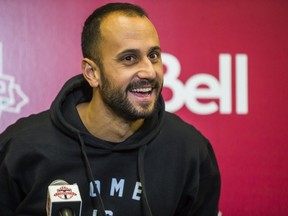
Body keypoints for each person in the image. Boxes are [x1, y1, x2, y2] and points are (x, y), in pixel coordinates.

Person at [0, 2, 220, 216]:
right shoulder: (21, 147)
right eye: (129, 58)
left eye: (153, 56)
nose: (149, 72)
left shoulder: (189, 150)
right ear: (92, 73)